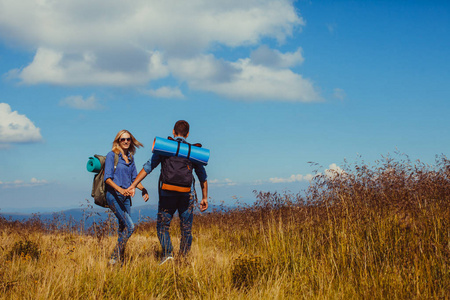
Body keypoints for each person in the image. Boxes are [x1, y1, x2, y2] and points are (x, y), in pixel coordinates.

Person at [127, 120, 208, 265]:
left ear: (173, 132)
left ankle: (168, 254)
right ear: (188, 134)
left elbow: (148, 167)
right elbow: (202, 176)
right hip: (187, 195)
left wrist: (133, 185)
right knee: (186, 229)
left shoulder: (165, 148)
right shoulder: (192, 151)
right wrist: (204, 198)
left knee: (163, 226)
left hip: (167, 194)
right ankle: (183, 259)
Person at [104, 129, 149, 266]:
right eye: (122, 139)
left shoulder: (130, 158)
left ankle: (120, 262)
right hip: (113, 196)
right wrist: (120, 189)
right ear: (118, 141)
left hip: (126, 198)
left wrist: (143, 189)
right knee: (130, 227)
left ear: (131, 141)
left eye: (128, 139)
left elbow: (134, 178)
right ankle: (114, 257)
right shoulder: (112, 156)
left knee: (123, 229)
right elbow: (107, 178)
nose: (125, 141)